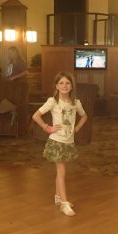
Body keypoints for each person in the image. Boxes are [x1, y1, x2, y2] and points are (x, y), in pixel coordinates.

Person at [31, 71, 87, 217]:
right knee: (62, 172)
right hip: (56, 142)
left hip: (68, 142)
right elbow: (36, 116)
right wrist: (47, 128)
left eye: (67, 83)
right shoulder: (53, 101)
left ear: (72, 86)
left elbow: (84, 116)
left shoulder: (76, 103)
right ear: (56, 86)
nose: (64, 85)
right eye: (61, 83)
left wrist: (76, 128)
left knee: (60, 171)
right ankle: (64, 203)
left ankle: (58, 197)